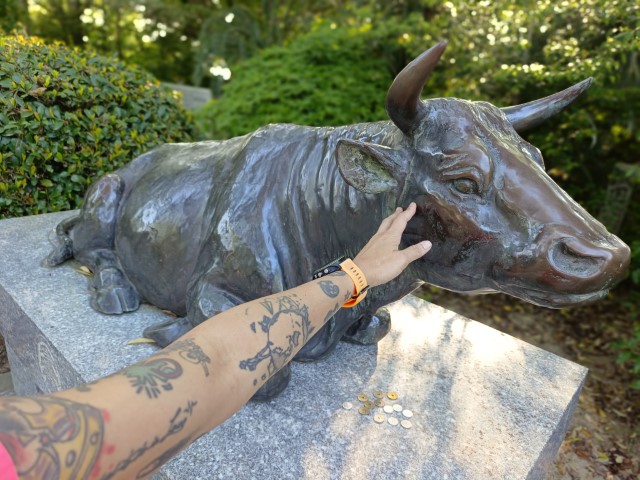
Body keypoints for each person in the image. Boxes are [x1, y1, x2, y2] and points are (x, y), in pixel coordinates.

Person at [0, 203, 432, 480]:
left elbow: (218, 364)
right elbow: (215, 367)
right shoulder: (31, 451)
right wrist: (354, 277)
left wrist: (354, 277)